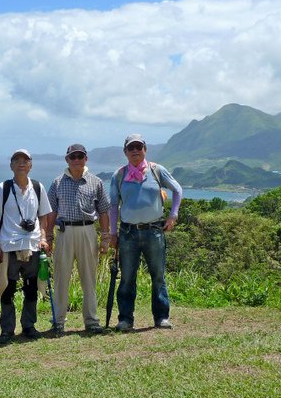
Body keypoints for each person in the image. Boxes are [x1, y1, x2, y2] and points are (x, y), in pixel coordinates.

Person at [109, 134, 183, 331]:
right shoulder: (119, 175)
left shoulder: (157, 170)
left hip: (154, 231)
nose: (135, 151)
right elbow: (113, 205)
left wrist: (173, 215)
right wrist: (112, 233)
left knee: (158, 276)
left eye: (138, 147)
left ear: (145, 149)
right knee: (126, 278)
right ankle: (125, 319)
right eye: (131, 148)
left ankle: (161, 317)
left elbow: (177, 190)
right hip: (128, 233)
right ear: (125, 152)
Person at [44, 144, 111, 336]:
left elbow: (104, 210)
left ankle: (91, 321)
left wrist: (105, 237)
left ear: (85, 159)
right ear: (67, 160)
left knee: (89, 278)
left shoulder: (96, 182)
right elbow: (51, 212)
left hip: (87, 230)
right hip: (64, 232)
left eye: (80, 156)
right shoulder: (57, 182)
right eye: (72, 157)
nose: (76, 160)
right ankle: (58, 322)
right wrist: (48, 236)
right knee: (61, 278)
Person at [0, 149, 53, 344]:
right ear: (11, 166)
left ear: (31, 165)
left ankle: (28, 325)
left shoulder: (38, 187)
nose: (21, 163)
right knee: (8, 288)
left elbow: (44, 216)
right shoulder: (4, 188)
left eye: (25, 160)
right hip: (9, 245)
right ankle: (7, 329)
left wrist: (43, 237)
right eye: (17, 160)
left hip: (33, 244)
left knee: (31, 287)